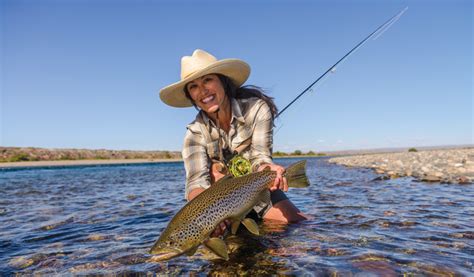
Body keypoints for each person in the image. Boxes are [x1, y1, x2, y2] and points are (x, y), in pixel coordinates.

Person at [159, 49, 307, 236]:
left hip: (258, 189)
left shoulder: (257, 109)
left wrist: (269, 170)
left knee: (300, 227)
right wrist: (201, 216)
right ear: (190, 96)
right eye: (193, 86)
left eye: (207, 80)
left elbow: (260, 157)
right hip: (221, 206)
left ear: (223, 80)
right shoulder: (194, 133)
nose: (202, 90)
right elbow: (196, 183)